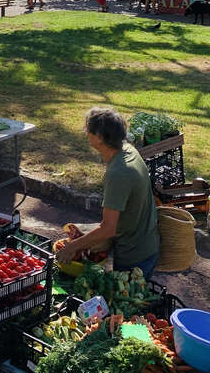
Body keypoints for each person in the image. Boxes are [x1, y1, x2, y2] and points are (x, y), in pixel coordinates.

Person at [57, 107, 160, 278]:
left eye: (87, 129)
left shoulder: (118, 173)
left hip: (134, 256)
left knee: (130, 302)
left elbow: (108, 229)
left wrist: (73, 247)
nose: (85, 133)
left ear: (99, 138)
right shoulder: (128, 150)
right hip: (147, 242)